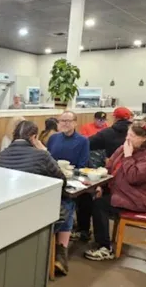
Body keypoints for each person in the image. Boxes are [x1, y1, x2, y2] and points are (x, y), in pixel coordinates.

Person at [0, 120, 71, 274]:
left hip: (6, 215)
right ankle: (60, 254)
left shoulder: (0, 156)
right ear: (34, 137)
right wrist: (45, 152)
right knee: (68, 205)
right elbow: (61, 182)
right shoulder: (41, 156)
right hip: (34, 215)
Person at [84, 121, 146, 261]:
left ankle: (105, 248)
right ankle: (83, 231)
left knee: (100, 205)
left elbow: (133, 178)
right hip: (123, 192)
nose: (127, 139)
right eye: (128, 134)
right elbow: (109, 167)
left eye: (132, 136)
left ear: (144, 138)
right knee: (87, 195)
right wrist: (100, 184)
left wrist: (128, 156)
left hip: (139, 199)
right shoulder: (124, 148)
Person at [72, 107, 131, 242]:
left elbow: (87, 143)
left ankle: (92, 237)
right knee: (88, 193)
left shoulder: (108, 133)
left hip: (124, 189)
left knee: (90, 197)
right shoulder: (129, 143)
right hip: (122, 183)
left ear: (114, 118)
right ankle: (84, 231)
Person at [47, 111, 89, 273]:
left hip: (71, 180)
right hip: (53, 179)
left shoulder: (83, 141)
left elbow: (83, 164)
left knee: (69, 203)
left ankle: (61, 251)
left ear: (75, 123)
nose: (64, 123)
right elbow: (48, 159)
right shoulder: (53, 138)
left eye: (68, 120)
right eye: (61, 120)